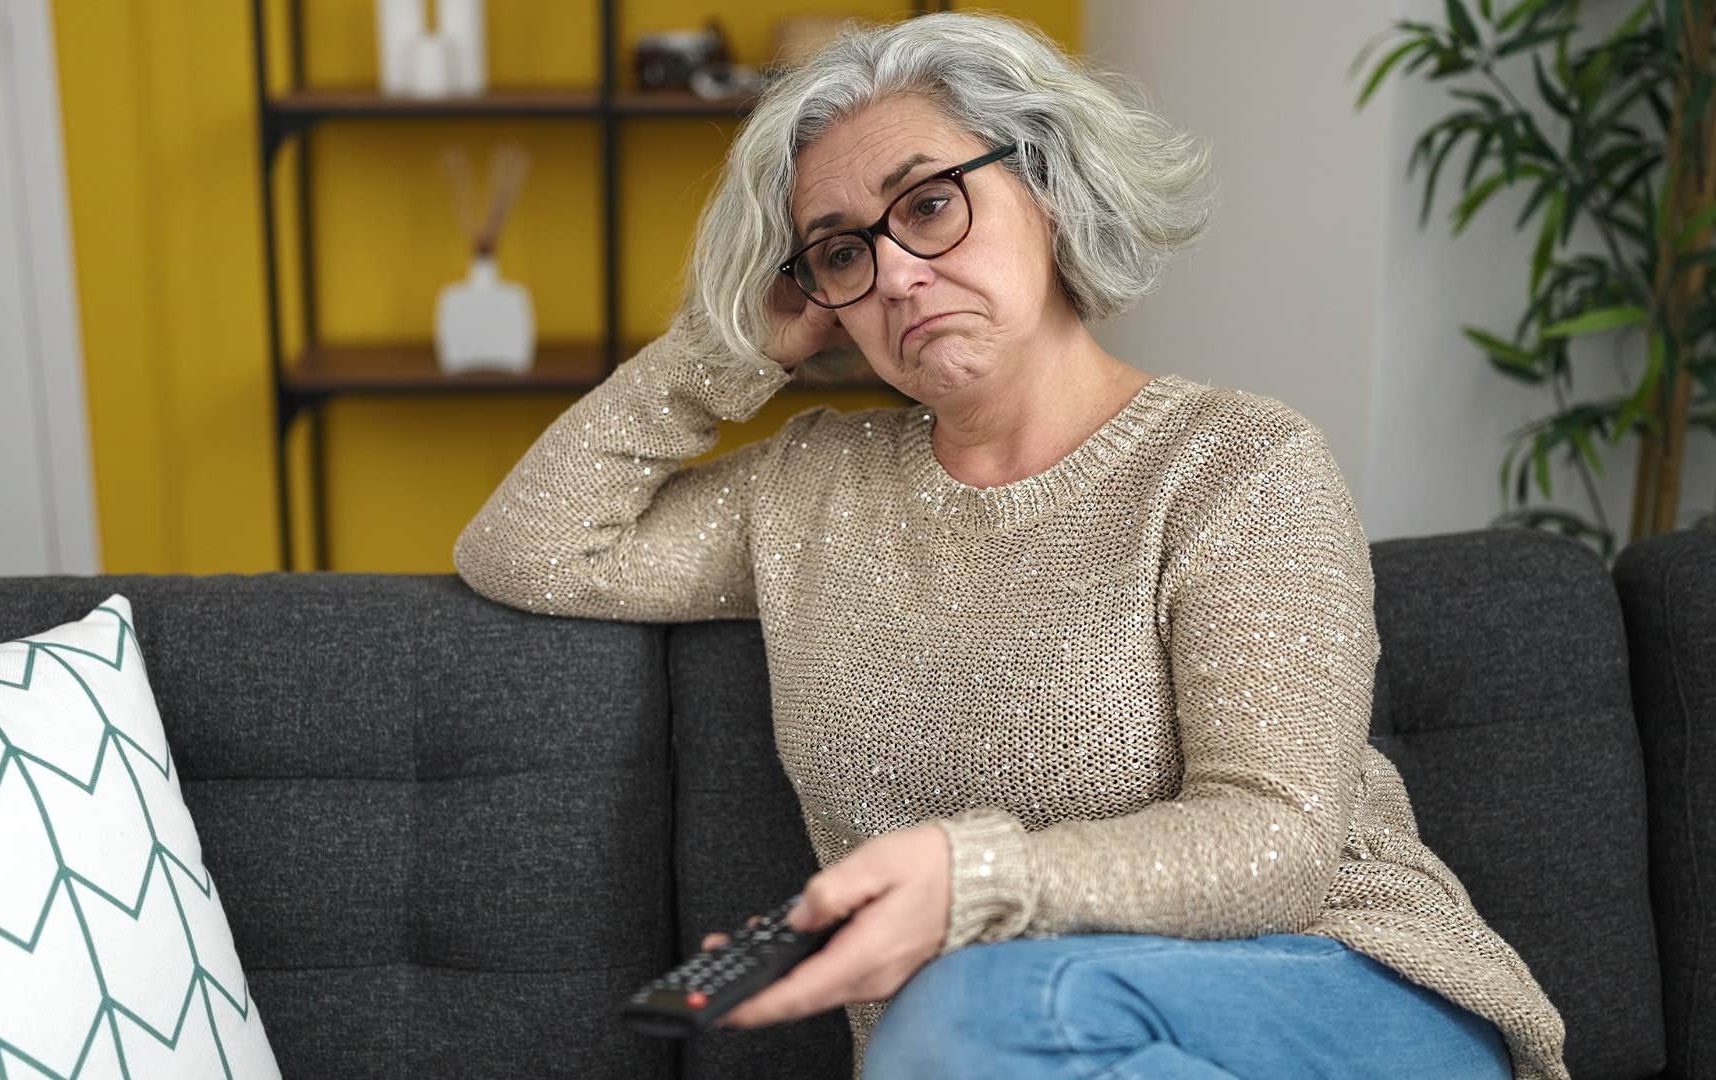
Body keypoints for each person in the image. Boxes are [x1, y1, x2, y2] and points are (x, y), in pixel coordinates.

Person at [453, 11, 1568, 1079]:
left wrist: (969, 878)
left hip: (1336, 995)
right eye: (839, 253)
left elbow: (1278, 842)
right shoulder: (809, 495)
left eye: (929, 206)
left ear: (1047, 185)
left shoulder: (1238, 464)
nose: (893, 273)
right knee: (984, 1012)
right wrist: (719, 351)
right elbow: (530, 547)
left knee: (986, 997)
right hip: (996, 1050)